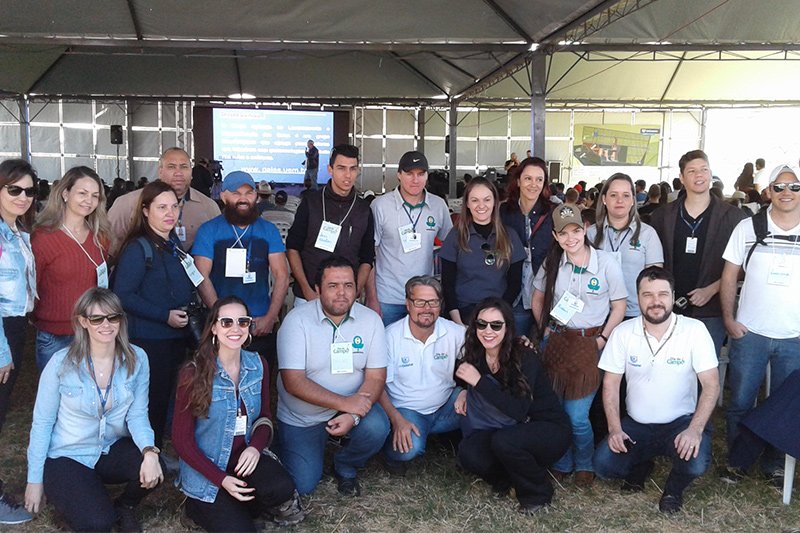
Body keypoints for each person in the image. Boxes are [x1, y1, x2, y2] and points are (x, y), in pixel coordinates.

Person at [25, 288, 163, 531]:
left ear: (121, 320)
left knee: (154, 466)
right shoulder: (60, 363)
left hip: (109, 448)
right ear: (83, 322)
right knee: (99, 523)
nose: (106, 325)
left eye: (113, 317)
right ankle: (80, 501)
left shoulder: (137, 358)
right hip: (68, 454)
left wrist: (150, 452)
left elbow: (138, 415)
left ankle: (125, 506)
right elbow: (42, 423)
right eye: (97, 318)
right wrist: (34, 481)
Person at [593, 267, 719, 514]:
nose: (655, 301)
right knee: (603, 466)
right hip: (637, 425)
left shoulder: (694, 330)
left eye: (662, 294)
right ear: (637, 298)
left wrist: (695, 429)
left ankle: (673, 489)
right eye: (647, 294)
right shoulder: (623, 333)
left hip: (680, 423)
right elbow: (610, 384)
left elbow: (712, 384)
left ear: (673, 296)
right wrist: (615, 429)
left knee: (696, 463)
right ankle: (642, 463)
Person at [172, 296, 305, 531]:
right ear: (213, 327)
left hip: (243, 460)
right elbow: (181, 442)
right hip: (208, 470)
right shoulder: (192, 373)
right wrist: (220, 479)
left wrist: (255, 447)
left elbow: (264, 417)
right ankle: (195, 509)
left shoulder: (258, 364)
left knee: (281, 487)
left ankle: (235, 505)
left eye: (242, 322)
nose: (235, 329)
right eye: (226, 322)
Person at [276, 256, 389, 496]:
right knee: (303, 485)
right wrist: (345, 404)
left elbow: (376, 377)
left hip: (349, 408)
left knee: (378, 426)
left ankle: (346, 464)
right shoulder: (296, 321)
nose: (342, 293)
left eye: (348, 285)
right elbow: (293, 382)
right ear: (317, 289)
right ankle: (286, 445)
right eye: (333, 286)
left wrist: (353, 414)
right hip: (302, 416)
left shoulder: (371, 320)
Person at [531, 203, 627, 487]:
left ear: (585, 229)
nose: (570, 238)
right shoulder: (553, 262)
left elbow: (619, 306)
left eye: (575, 230)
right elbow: (537, 298)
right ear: (555, 236)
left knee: (577, 415)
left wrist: (603, 339)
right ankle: (562, 462)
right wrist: (545, 329)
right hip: (559, 342)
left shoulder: (606, 263)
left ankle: (584, 463)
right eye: (563, 233)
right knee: (558, 412)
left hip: (590, 343)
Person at [721, 164, 800, 484]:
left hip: (794, 335)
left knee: (782, 406)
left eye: (794, 187)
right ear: (768, 192)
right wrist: (728, 319)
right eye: (779, 187)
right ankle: (737, 461)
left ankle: (774, 464)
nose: (786, 193)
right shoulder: (749, 227)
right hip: (750, 332)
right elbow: (729, 276)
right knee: (740, 400)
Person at [455, 298, 571, 514]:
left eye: (496, 325)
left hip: (547, 429)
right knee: (469, 452)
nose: (488, 331)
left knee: (505, 441)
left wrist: (478, 382)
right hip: (508, 428)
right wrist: (463, 391)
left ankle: (538, 494)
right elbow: (463, 376)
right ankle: (509, 481)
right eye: (482, 324)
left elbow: (519, 410)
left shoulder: (524, 355)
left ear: (507, 327)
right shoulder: (477, 353)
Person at [111, 181, 198, 449]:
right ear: (146, 210)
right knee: (153, 400)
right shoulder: (139, 248)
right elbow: (122, 295)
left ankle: (157, 448)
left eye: (174, 206)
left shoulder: (172, 243)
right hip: (150, 341)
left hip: (175, 337)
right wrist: (164, 315)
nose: (170, 212)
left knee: (168, 397)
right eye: (162, 207)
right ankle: (148, 453)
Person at [649, 150, 746, 358]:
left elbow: (743, 267)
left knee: (705, 372)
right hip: (669, 309)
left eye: (704, 170)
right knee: (669, 369)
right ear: (682, 178)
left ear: (711, 174)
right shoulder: (662, 216)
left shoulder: (733, 217)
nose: (699, 175)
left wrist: (711, 290)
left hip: (711, 311)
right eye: (692, 171)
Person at [193, 171, 289, 366]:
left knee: (259, 379)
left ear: (256, 195)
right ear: (223, 196)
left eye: (249, 192)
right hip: (221, 324)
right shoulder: (209, 230)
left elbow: (282, 275)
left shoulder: (268, 230)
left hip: (259, 321)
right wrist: (221, 318)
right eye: (236, 193)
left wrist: (271, 317)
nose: (243, 198)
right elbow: (201, 276)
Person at [377, 276, 464, 475]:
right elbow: (378, 386)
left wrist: (468, 391)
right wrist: (397, 419)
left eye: (433, 302)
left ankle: (468, 452)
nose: (427, 308)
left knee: (481, 404)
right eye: (420, 302)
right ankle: (391, 452)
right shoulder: (389, 337)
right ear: (408, 304)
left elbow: (485, 352)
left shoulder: (454, 332)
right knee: (411, 448)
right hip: (407, 410)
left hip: (446, 406)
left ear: (440, 305)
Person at [32, 166, 112, 371]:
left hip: (93, 333)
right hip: (55, 336)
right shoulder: (43, 238)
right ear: (65, 193)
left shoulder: (100, 237)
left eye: (95, 196)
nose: (89, 200)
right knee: (54, 399)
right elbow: (32, 288)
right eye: (82, 193)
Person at [366, 151, 453, 326]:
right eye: (409, 174)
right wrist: (372, 298)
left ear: (427, 176)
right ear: (399, 175)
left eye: (421, 174)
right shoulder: (380, 206)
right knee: (386, 351)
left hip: (424, 300)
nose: (415, 180)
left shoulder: (438, 205)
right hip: (388, 298)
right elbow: (368, 256)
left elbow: (452, 247)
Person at [286, 144, 374, 303]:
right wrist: (306, 289)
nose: (348, 175)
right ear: (330, 169)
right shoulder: (311, 203)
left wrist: (355, 291)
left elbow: (367, 257)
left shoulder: (364, 210)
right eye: (341, 168)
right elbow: (293, 248)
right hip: (309, 295)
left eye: (353, 169)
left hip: (345, 299)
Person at [0, 159, 37, 525]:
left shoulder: (18, 233)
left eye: (29, 190)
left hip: (15, 325)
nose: (23, 197)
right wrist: (2, 351)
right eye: (14, 189)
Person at [439, 176, 525, 325]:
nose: (481, 205)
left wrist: (499, 316)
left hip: (497, 313)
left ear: (495, 202)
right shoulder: (455, 235)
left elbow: (515, 283)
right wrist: (458, 323)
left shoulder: (509, 235)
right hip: (462, 312)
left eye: (486, 199)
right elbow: (447, 283)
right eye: (475, 200)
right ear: (467, 203)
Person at [108, 147, 220, 252]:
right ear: (160, 171)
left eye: (184, 167)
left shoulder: (209, 207)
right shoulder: (127, 203)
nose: (178, 173)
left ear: (191, 172)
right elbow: (109, 247)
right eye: (171, 167)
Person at [588, 173, 663, 318]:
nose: (620, 200)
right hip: (597, 314)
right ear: (604, 199)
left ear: (633, 200)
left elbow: (654, 279)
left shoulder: (648, 235)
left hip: (635, 314)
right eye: (614, 195)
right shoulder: (590, 234)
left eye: (626, 195)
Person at [500, 157, 553, 336]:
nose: (533, 184)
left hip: (546, 291)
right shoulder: (503, 212)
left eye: (539, 179)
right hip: (513, 291)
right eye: (528, 178)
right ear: (518, 180)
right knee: (516, 344)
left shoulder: (553, 212)